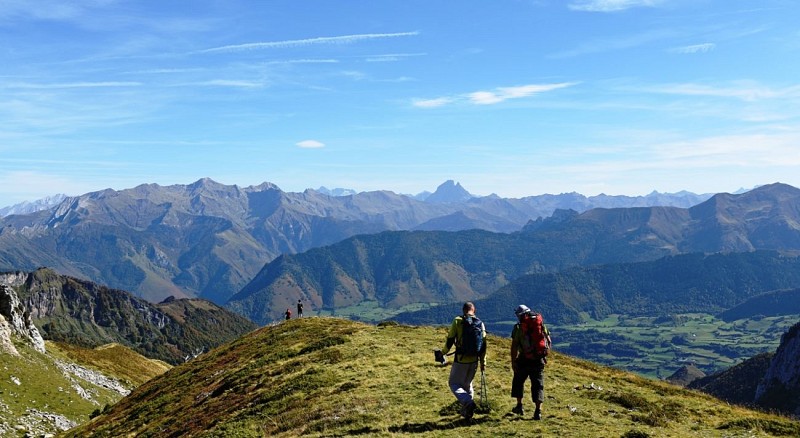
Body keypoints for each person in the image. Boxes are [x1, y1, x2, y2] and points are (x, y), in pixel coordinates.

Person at [442, 301, 487, 420]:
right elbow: (484, 345)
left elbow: (450, 339)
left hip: (461, 359)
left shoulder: (458, 321)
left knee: (454, 383)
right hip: (474, 360)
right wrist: (483, 362)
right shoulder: (480, 323)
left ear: (463, 310)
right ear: (474, 310)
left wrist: (443, 353)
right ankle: (467, 414)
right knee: (467, 385)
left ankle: (468, 403)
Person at [510, 304, 552, 420]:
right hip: (538, 360)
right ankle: (538, 411)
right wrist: (544, 354)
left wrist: (513, 361)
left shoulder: (518, 328)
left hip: (524, 359)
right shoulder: (539, 323)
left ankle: (519, 406)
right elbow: (548, 340)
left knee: (518, 381)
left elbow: (514, 347)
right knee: (538, 385)